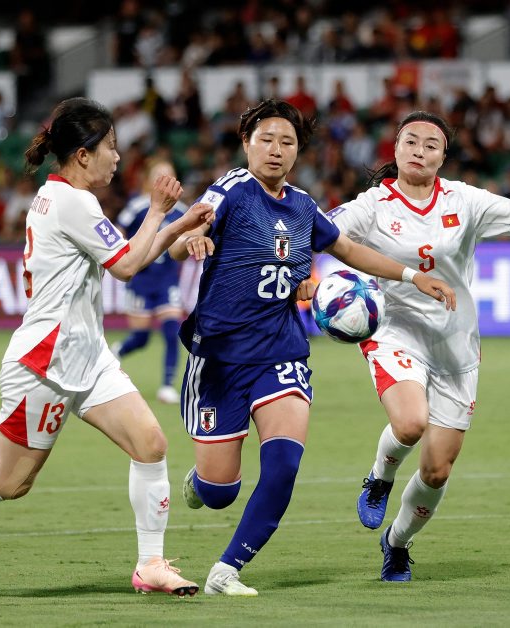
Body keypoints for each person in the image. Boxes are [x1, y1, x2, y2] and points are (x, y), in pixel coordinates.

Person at [0, 97, 214, 596]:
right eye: (110, 147)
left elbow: (128, 255)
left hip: (88, 355)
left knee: (150, 443)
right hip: (45, 364)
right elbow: (127, 266)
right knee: (11, 483)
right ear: (83, 155)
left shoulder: (62, 197)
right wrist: (159, 210)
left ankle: (150, 564)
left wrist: (176, 224)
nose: (117, 156)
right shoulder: (72, 203)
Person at [166, 99, 455, 596]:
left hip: (281, 353)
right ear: (246, 144)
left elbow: (348, 249)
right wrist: (190, 241)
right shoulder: (231, 190)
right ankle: (202, 482)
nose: (276, 150)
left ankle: (227, 570)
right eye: (266, 140)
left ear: (298, 152)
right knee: (218, 492)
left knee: (283, 466)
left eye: (287, 142)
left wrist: (412, 276)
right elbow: (180, 239)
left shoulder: (303, 206)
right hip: (219, 359)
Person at [327, 110, 510, 582]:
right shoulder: (373, 205)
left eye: (431, 145)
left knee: (437, 471)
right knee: (410, 423)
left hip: (455, 345)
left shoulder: (464, 200)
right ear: (395, 149)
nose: (419, 151)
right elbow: (322, 233)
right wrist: (302, 272)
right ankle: (380, 477)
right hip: (395, 333)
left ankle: (396, 543)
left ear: (443, 157)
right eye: (410, 141)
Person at [112, 158, 188, 404]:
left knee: (172, 331)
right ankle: (118, 351)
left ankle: (167, 386)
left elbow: (189, 236)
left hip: (167, 280)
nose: (165, 181)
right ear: (149, 181)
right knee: (141, 337)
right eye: (159, 176)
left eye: (170, 175)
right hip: (141, 280)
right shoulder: (137, 206)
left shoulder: (182, 211)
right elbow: (118, 232)